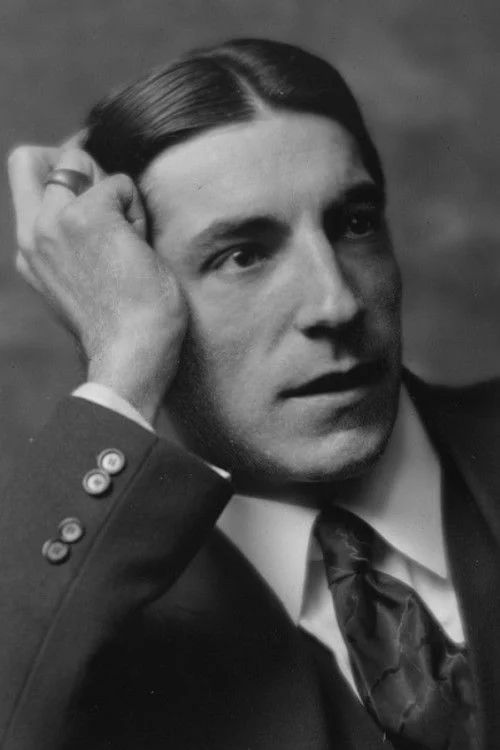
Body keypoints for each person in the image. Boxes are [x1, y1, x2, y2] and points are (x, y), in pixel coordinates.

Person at [3, 38, 499, 750]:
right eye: (243, 255)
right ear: (130, 288)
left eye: (355, 223)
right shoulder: (88, 620)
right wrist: (123, 362)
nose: (336, 303)